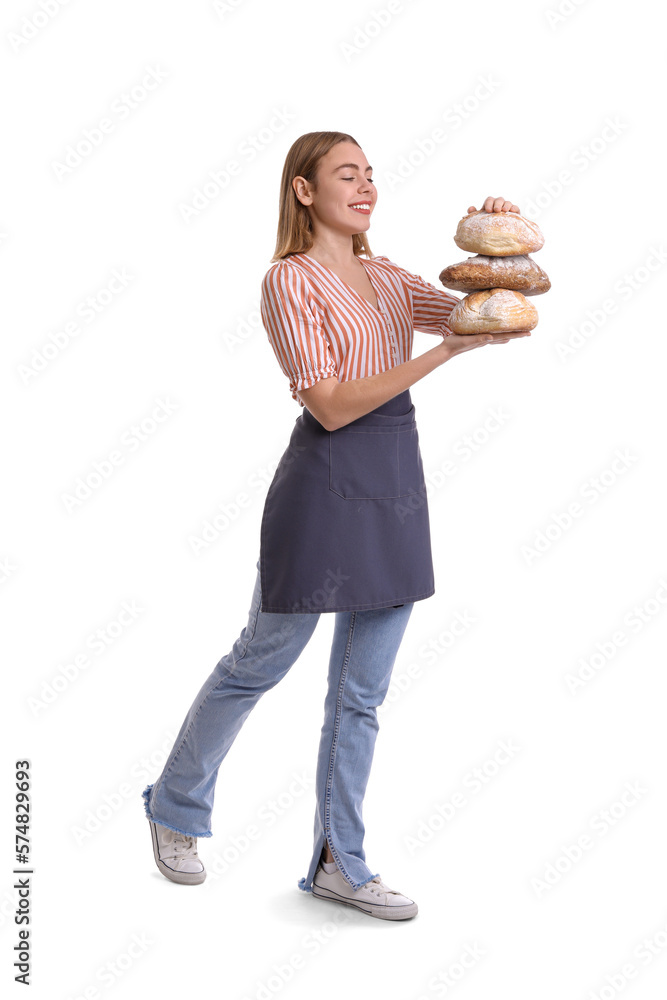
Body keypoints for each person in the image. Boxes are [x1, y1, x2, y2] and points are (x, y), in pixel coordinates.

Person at [142, 130, 531, 921]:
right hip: (323, 484)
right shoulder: (290, 281)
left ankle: (337, 863)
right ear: (303, 191)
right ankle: (174, 808)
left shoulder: (388, 278)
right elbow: (327, 401)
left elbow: (489, 317)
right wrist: (438, 357)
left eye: (370, 175)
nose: (365, 187)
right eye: (345, 175)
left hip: (393, 485)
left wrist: (499, 237)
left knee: (361, 696)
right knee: (260, 661)